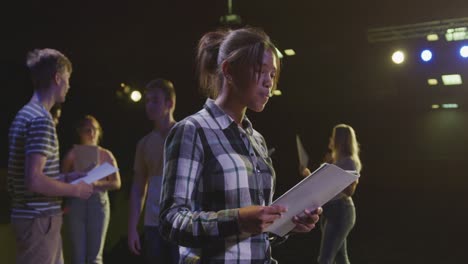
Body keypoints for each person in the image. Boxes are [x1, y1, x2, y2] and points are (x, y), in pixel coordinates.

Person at [159, 27, 322, 264]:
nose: (269, 82)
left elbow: (255, 232)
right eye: (261, 70)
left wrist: (286, 224)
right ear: (229, 71)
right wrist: (237, 220)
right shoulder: (192, 131)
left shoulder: (257, 139)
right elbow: (171, 221)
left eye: (273, 74)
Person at [7, 48, 93, 264]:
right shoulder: (41, 120)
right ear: (57, 78)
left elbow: (33, 175)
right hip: (39, 220)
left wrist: (66, 178)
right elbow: (34, 180)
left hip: (31, 218)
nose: (69, 85)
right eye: (68, 79)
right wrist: (75, 189)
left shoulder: (25, 114)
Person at [127, 78, 179, 263]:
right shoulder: (144, 143)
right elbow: (138, 188)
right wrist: (132, 227)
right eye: (147, 100)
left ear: (170, 103)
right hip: (153, 223)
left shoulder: (185, 134)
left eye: (155, 100)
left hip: (181, 221)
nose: (149, 105)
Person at [62, 115, 121, 264]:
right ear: (80, 132)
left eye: (95, 129)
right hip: (76, 202)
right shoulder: (72, 154)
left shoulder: (106, 154)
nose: (92, 133)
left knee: (95, 256)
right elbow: (61, 179)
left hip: (98, 203)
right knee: (78, 256)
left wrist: (96, 183)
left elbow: (116, 183)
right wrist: (76, 179)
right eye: (87, 130)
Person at [303, 124, 361, 264]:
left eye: (333, 136)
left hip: (341, 211)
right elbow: (322, 187)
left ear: (340, 140)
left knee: (325, 259)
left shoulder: (349, 162)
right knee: (340, 258)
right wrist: (308, 174)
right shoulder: (336, 161)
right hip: (330, 210)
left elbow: (349, 191)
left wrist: (332, 172)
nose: (330, 139)